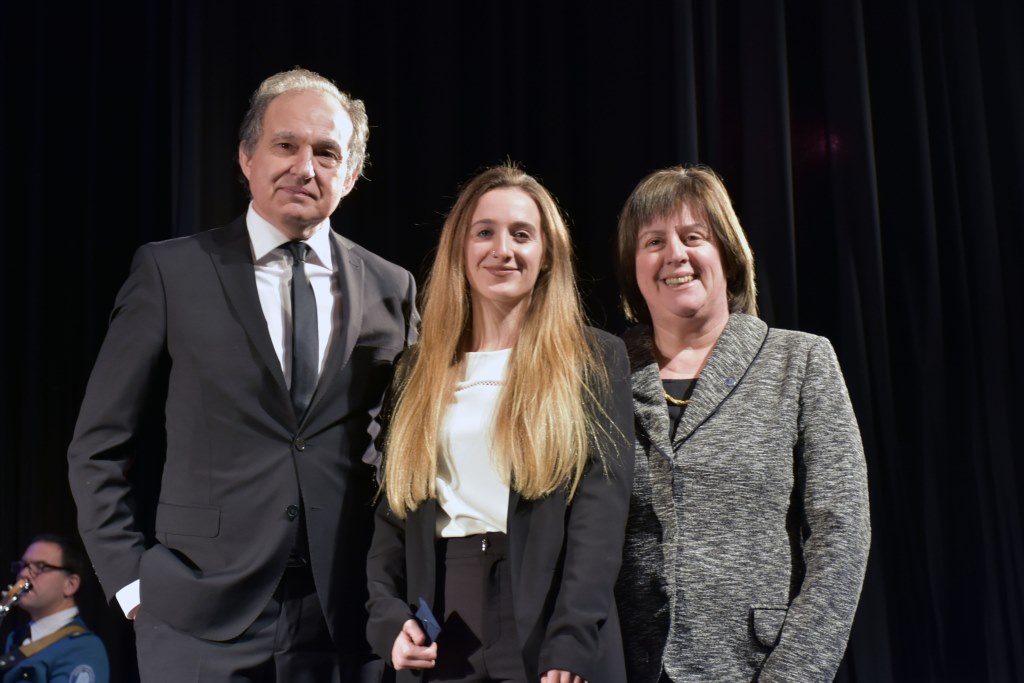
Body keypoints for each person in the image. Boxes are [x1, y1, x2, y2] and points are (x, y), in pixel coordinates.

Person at [67, 68, 419, 682]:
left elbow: (409, 452)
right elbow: (97, 445)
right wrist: (132, 587)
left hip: (344, 621)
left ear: (351, 175)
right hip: (196, 618)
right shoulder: (171, 273)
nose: (304, 167)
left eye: (326, 152)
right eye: (286, 145)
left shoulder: (392, 288)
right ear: (246, 156)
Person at [365, 163, 634, 683]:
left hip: (544, 614)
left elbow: (600, 516)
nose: (502, 250)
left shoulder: (594, 360)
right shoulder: (416, 371)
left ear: (547, 253)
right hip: (442, 618)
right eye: (484, 232)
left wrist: (572, 639)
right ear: (460, 250)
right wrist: (387, 619)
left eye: (521, 234)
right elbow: (391, 517)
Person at [613, 165, 871, 682]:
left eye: (693, 237)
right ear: (633, 268)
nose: (675, 255)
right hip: (622, 665)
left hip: (755, 667)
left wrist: (792, 674)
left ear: (728, 255)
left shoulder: (800, 361)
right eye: (653, 241)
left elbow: (840, 533)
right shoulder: (603, 372)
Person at [2, 534, 109, 683]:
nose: (24, 574)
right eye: (23, 566)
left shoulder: (83, 648)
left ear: (70, 585)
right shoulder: (15, 637)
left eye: (40, 567)